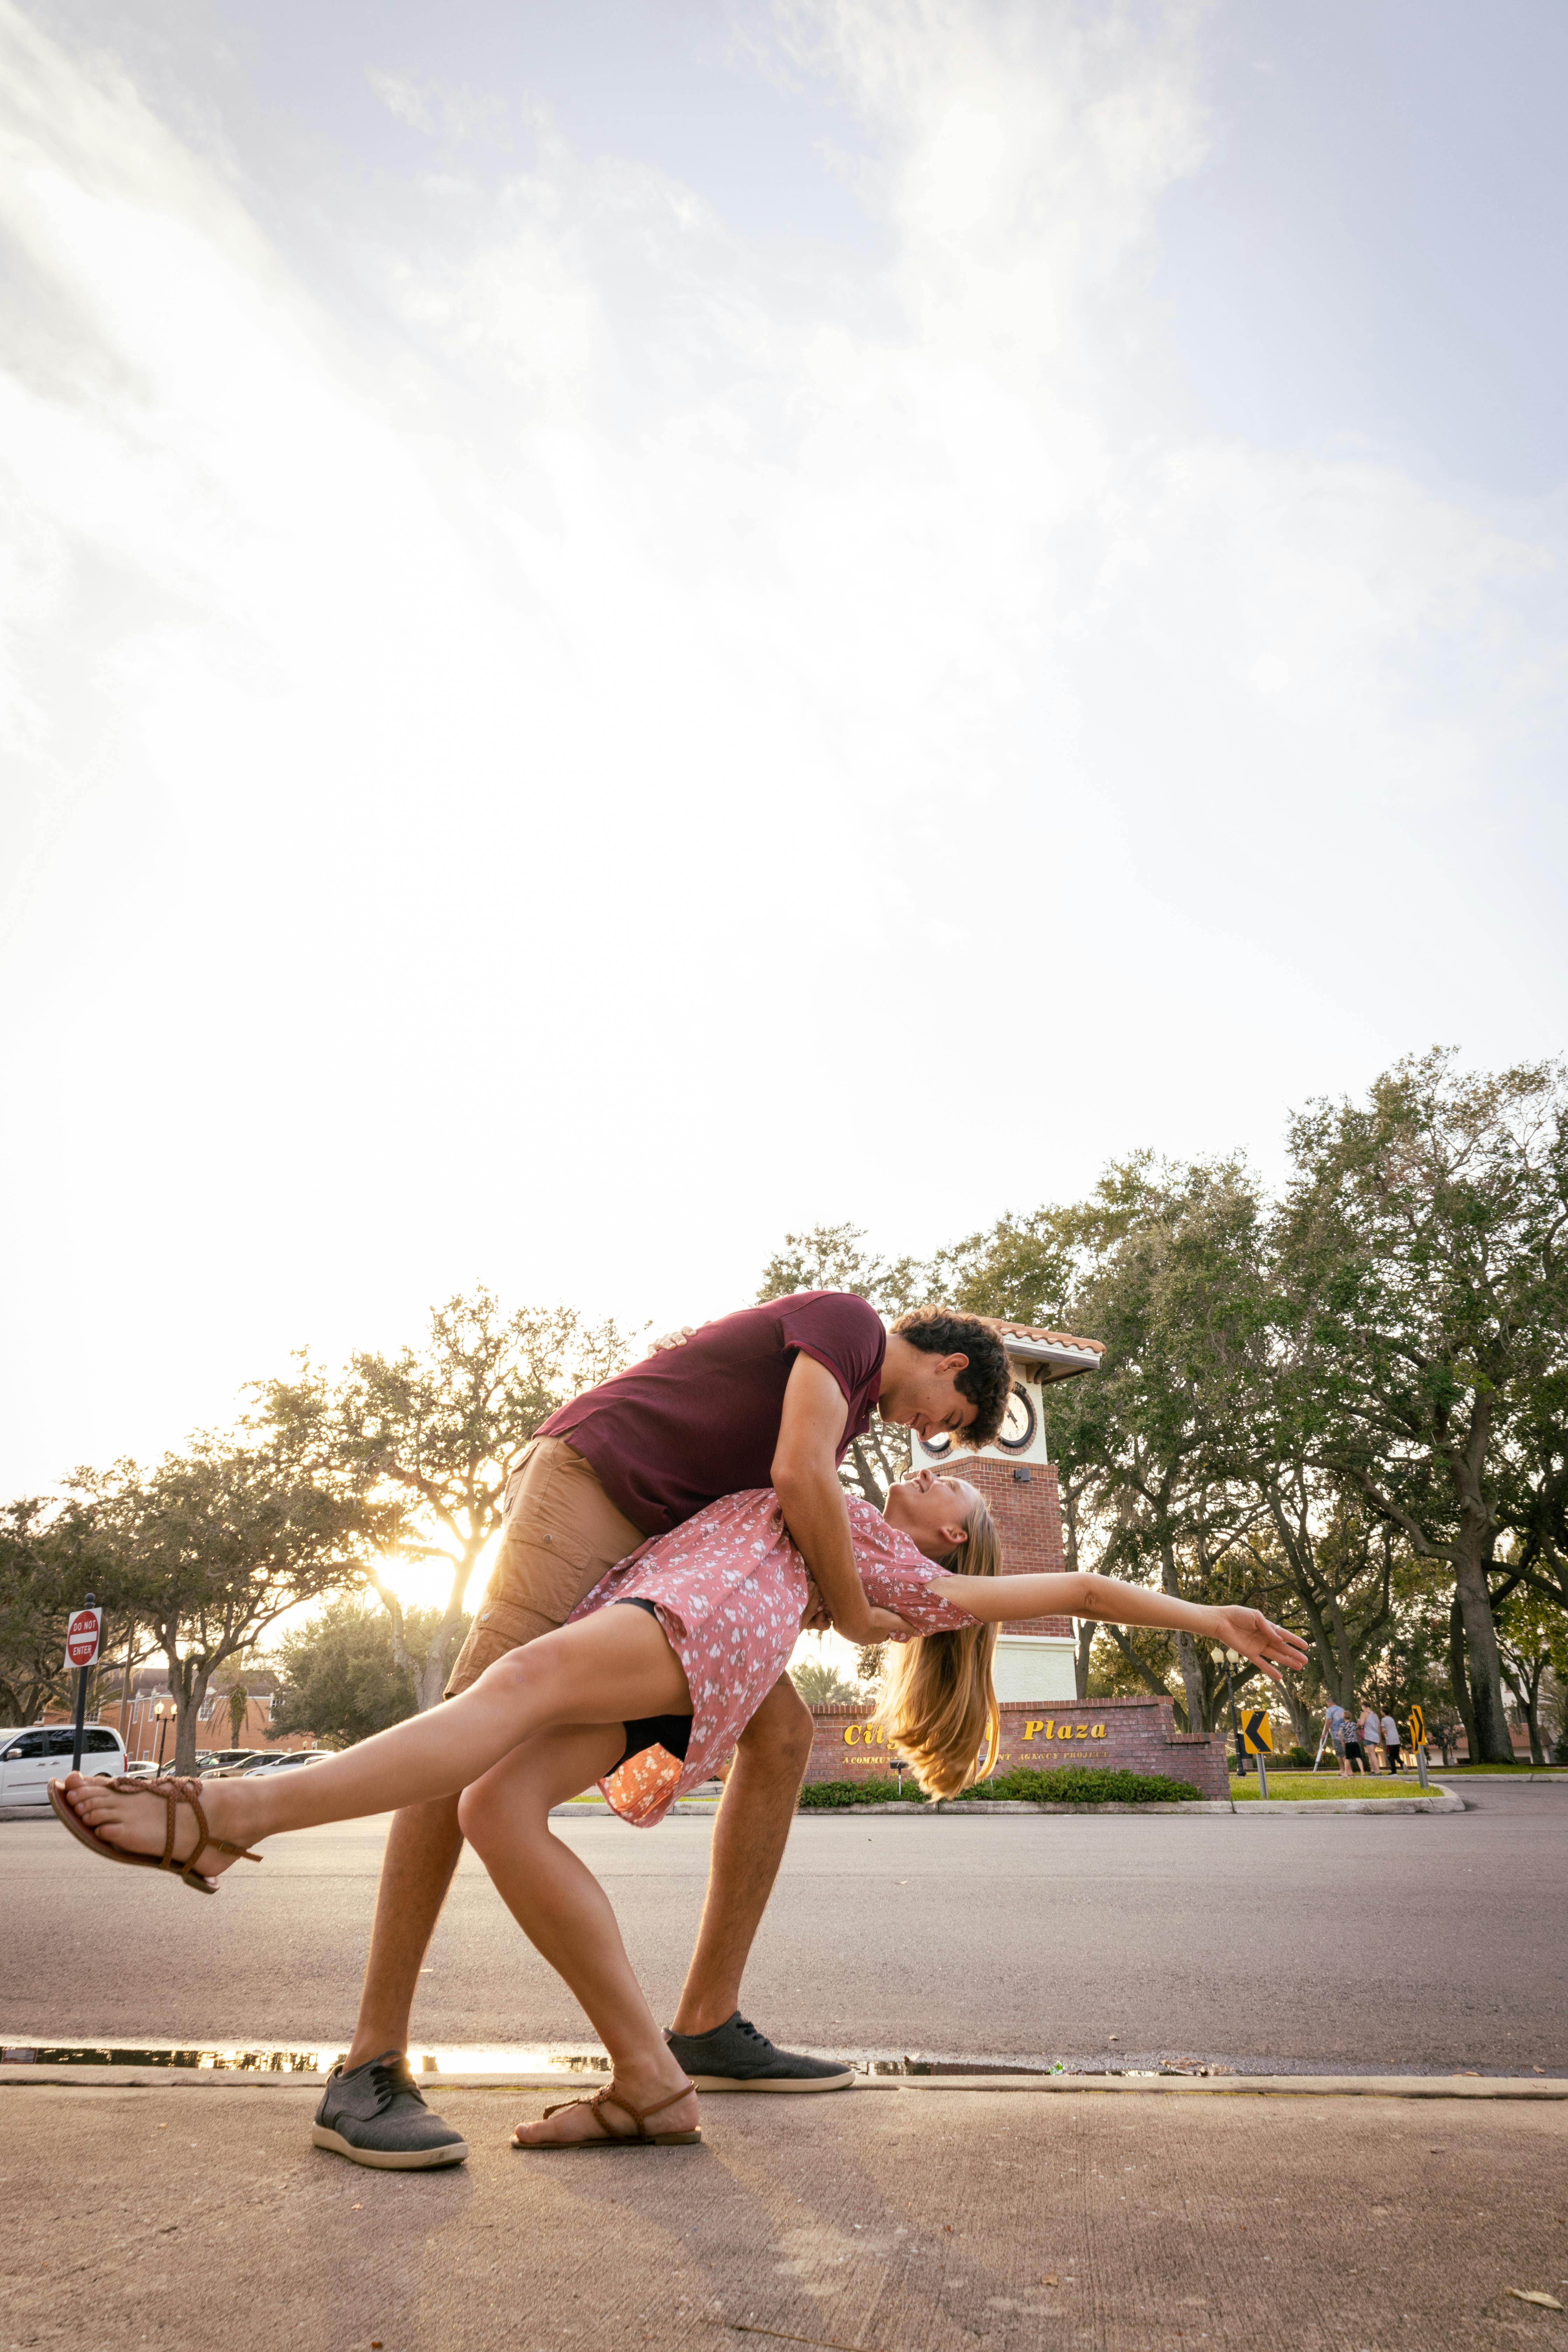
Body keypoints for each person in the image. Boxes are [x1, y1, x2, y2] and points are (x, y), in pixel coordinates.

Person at [52, 1466, 1308, 2151]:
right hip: (684, 1655)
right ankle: (650, 2073)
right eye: (948, 1473)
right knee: (496, 1802)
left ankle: (236, 1810)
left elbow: (1077, 1579)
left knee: (513, 1687)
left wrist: (1206, 1617)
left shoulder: (899, 1568)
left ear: (950, 1543)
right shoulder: (828, 1488)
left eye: (961, 1499)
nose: (948, 1477)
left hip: (700, 1636)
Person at [309, 1293, 1017, 2163]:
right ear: (952, 1368)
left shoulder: (846, 1407)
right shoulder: (853, 1327)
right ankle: (369, 2060)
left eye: (945, 1434)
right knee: (469, 1732)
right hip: (595, 1486)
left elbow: (785, 1492)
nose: (931, 1433)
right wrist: (857, 1611)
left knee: (784, 1734)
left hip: (661, 1546)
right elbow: (798, 1480)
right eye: (951, 1421)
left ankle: (707, 2023)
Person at [1324, 1701, 1351, 1776]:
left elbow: (1328, 1722)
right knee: (1344, 1753)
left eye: (1327, 1704)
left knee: (1340, 1754)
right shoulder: (1342, 1709)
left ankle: (1344, 1770)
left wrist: (1325, 1733)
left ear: (1330, 1703)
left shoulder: (1330, 1710)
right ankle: (1347, 1770)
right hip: (1345, 1735)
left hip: (1336, 1735)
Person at [1361, 1704, 1386, 1773]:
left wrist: (1358, 1725)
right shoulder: (1376, 1715)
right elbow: (1379, 1727)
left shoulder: (1365, 1714)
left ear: (1365, 1707)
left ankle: (1378, 1771)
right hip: (1375, 1736)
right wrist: (1380, 1738)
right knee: (1370, 1754)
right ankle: (1372, 1770)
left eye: (1363, 1707)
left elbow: (1361, 1723)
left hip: (1369, 1736)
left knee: (1372, 1754)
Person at [1381, 1709, 1403, 1773]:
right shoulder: (1392, 1719)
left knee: (1391, 1757)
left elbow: (1383, 1730)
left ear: (1384, 1712)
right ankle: (1403, 1764)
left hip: (1390, 1740)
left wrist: (1384, 1732)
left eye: (1381, 1711)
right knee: (1396, 1756)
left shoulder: (1383, 1720)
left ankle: (1394, 1772)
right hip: (1397, 1739)